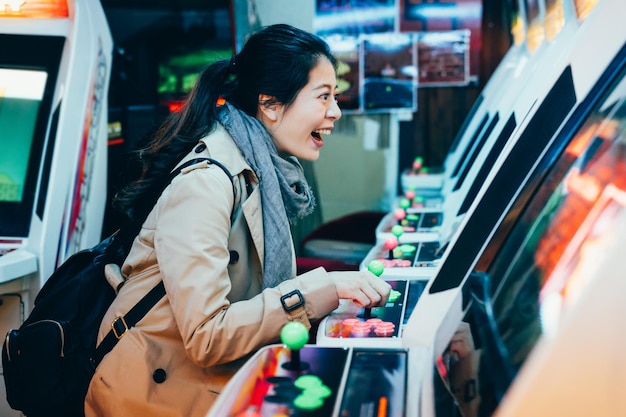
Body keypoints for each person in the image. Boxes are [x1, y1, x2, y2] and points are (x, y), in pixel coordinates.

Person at [85, 23, 391, 417]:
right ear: (270, 104)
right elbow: (207, 336)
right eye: (323, 96)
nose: (335, 111)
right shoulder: (207, 182)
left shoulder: (259, 169)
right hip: (148, 399)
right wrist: (325, 287)